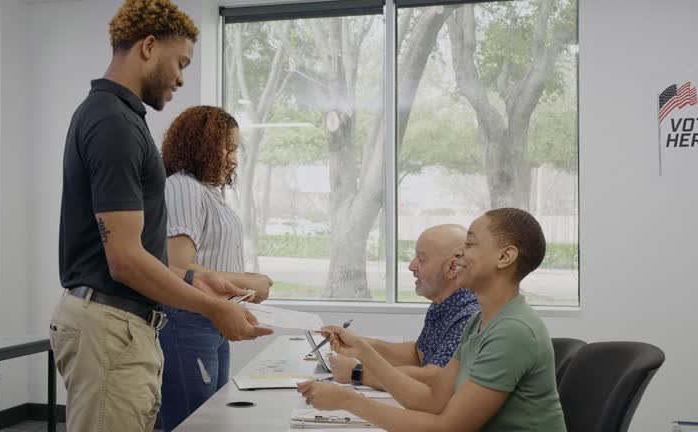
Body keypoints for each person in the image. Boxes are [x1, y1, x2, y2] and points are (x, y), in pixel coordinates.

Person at [50, 2, 272, 431]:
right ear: (149, 47)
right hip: (110, 326)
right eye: (180, 63)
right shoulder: (111, 122)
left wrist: (197, 280)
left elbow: (135, 251)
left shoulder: (122, 119)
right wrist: (211, 308)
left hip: (124, 325)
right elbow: (125, 260)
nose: (181, 78)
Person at [299, 208, 566, 432]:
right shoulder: (480, 323)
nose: (459, 254)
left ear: (505, 257)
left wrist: (350, 401)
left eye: (470, 244)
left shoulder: (513, 332)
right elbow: (433, 400)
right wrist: (364, 351)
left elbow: (448, 428)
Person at [157, 106, 274, 430]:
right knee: (193, 422)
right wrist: (250, 280)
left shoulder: (207, 192)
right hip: (188, 320)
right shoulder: (182, 187)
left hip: (212, 319)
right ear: (202, 146)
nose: (234, 158)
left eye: (236, 148)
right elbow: (176, 265)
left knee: (212, 418)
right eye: (228, 147)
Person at [329, 224, 478, 390]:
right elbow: (418, 355)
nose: (411, 266)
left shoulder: (468, 315)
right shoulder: (443, 304)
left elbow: (436, 378)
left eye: (421, 259)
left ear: (452, 267)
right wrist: (360, 345)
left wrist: (358, 373)